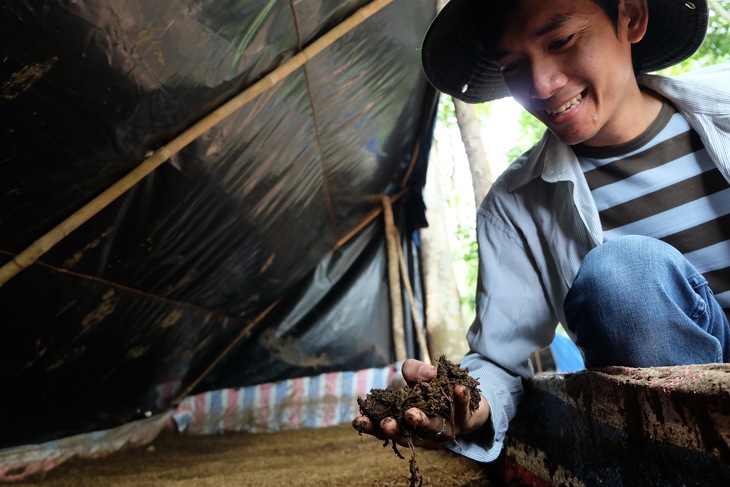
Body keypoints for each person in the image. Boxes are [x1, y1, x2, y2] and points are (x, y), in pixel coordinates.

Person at [354, 0, 730, 462]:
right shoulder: (517, 204)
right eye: (513, 65)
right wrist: (466, 403)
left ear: (630, 17)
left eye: (561, 41)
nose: (541, 85)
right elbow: (497, 358)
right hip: (692, 421)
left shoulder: (723, 109)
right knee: (624, 273)